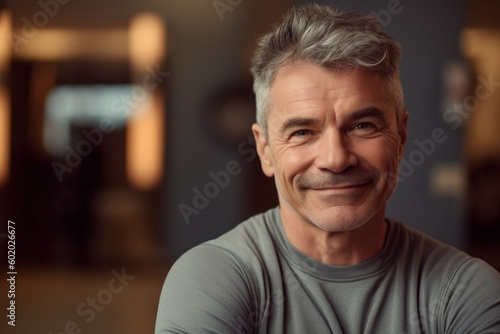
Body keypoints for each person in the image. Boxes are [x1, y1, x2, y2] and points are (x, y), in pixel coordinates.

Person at [155, 4, 500, 333]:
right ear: (265, 151)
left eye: (362, 125)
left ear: (401, 137)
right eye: (303, 132)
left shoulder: (467, 291)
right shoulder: (212, 277)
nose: (336, 159)